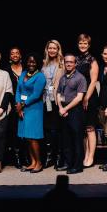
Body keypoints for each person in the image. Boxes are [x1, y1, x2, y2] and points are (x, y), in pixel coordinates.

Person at [16, 53, 47, 173]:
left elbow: (36, 95)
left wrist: (22, 105)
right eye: (29, 61)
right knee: (27, 137)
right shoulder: (23, 74)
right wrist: (18, 104)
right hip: (22, 108)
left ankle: (39, 163)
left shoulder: (40, 77)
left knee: (33, 137)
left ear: (37, 63)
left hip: (34, 109)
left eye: (33, 62)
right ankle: (32, 162)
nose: (31, 64)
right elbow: (18, 90)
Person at [57, 54, 87, 174]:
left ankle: (78, 166)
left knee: (77, 140)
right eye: (66, 62)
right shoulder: (63, 78)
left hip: (75, 111)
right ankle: (68, 163)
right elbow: (59, 93)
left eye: (71, 62)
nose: (68, 64)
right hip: (63, 111)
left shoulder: (80, 78)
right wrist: (60, 108)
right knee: (66, 139)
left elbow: (79, 98)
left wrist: (66, 109)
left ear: (75, 64)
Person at [76, 34, 99, 168]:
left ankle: (91, 157)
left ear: (89, 45)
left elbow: (93, 81)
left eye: (85, 43)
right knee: (83, 128)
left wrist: (86, 98)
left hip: (89, 98)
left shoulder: (92, 60)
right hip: (78, 97)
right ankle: (85, 154)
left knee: (90, 127)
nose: (83, 45)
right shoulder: (77, 59)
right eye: (80, 43)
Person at [41, 40, 65, 168]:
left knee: (57, 130)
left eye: (54, 48)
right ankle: (49, 156)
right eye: (50, 48)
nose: (52, 50)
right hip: (45, 101)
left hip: (57, 101)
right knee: (48, 130)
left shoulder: (62, 65)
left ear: (58, 49)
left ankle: (58, 157)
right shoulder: (44, 64)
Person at [5, 46, 26, 168]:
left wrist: (23, 104)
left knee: (26, 132)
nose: (15, 55)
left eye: (17, 53)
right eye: (12, 53)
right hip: (12, 106)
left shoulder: (27, 69)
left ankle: (26, 156)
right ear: (10, 56)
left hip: (26, 104)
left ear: (20, 55)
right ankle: (17, 157)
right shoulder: (6, 71)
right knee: (14, 132)